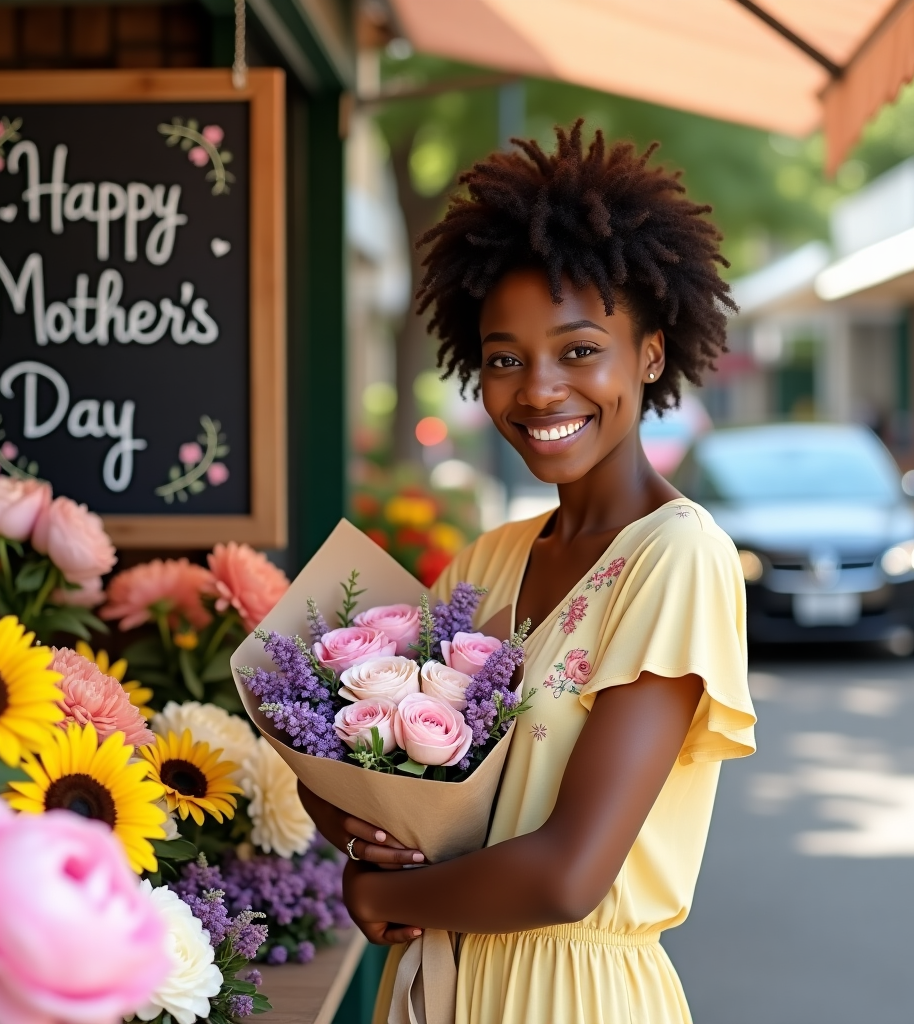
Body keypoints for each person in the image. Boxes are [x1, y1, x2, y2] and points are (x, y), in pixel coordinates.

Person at [299, 121, 757, 1024]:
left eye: (580, 350)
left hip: (570, 996)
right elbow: (358, 762)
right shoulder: (485, 563)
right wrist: (354, 826)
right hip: (434, 983)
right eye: (505, 358)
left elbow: (569, 874)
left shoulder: (675, 557)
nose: (539, 388)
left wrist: (381, 897)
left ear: (651, 355)